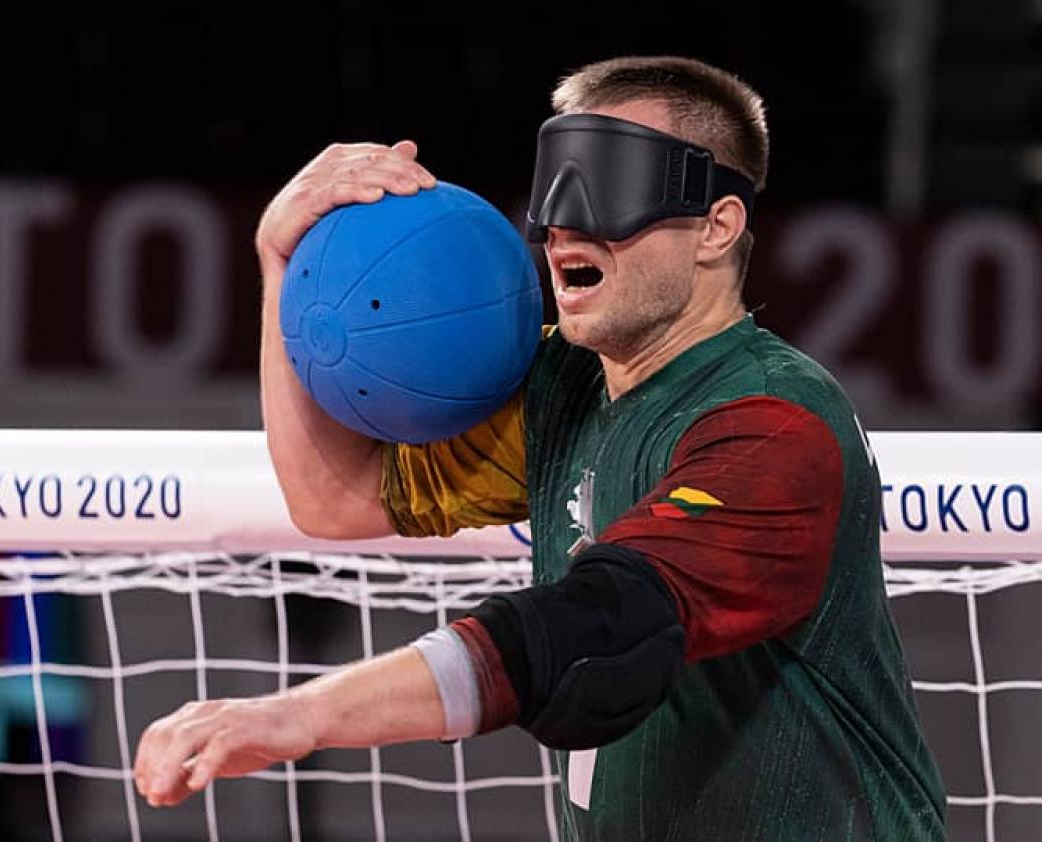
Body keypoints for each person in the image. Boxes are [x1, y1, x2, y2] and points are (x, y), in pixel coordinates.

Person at [134, 55, 946, 839]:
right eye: (556, 189)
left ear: (716, 226)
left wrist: (298, 714)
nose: (564, 228)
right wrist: (284, 262)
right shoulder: (563, 387)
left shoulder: (772, 422)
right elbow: (333, 499)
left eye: (610, 185)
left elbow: (599, 633)